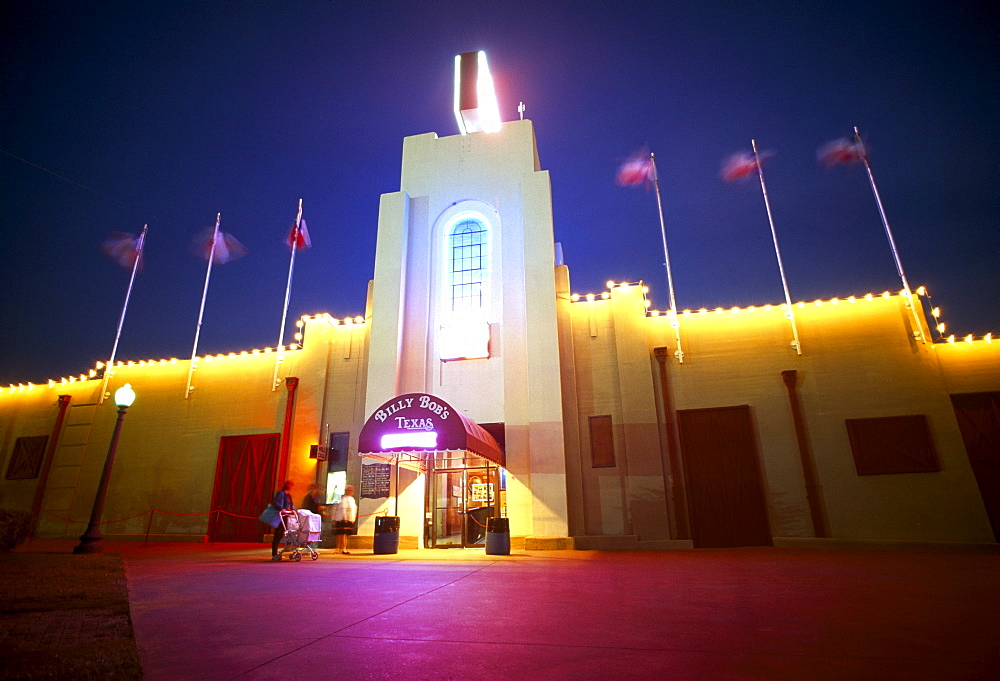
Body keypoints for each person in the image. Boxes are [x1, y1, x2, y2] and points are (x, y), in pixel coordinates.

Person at [270, 480, 295, 561]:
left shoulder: (289, 495)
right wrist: (282, 509)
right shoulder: (281, 493)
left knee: (284, 533)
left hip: (286, 517)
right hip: (280, 516)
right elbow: (277, 503)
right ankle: (274, 553)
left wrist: (292, 510)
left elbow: (291, 505)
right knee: (278, 534)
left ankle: (282, 551)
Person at [332, 484, 357, 554]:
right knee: (341, 534)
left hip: (348, 519)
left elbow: (353, 510)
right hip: (341, 519)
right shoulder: (341, 498)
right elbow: (335, 508)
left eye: (352, 490)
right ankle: (340, 548)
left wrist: (352, 519)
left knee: (345, 535)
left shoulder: (352, 499)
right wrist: (333, 518)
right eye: (349, 490)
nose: (351, 491)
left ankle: (343, 548)